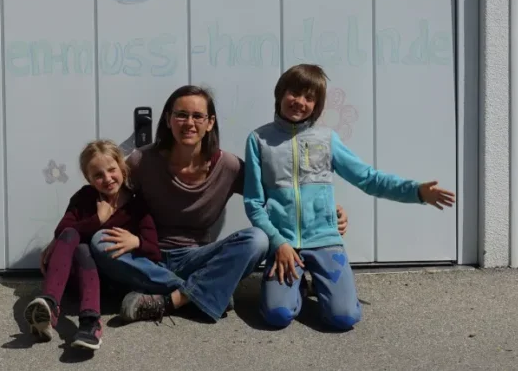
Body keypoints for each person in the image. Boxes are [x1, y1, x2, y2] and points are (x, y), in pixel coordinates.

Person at [90, 85, 350, 324]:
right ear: (168, 119)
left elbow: (278, 195)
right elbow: (108, 195)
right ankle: (208, 291)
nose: (189, 123)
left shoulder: (228, 166)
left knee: (257, 240)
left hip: (198, 257)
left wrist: (324, 212)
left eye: (198, 116)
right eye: (181, 115)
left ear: (210, 123)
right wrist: (80, 232)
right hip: (148, 253)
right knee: (100, 241)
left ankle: (173, 300)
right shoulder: (142, 160)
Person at [243, 64, 456, 330]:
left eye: (309, 97)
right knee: (277, 315)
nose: (300, 102)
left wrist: (416, 191)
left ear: (317, 105)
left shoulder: (326, 139)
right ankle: (296, 288)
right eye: (294, 93)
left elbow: (368, 178)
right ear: (280, 93)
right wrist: (278, 243)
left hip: (325, 240)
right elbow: (253, 203)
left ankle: (318, 283)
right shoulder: (259, 139)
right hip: (284, 244)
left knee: (344, 318)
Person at [24, 139, 161, 351]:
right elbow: (63, 233)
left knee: (83, 245)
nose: (107, 178)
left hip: (114, 281)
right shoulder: (85, 197)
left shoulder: (137, 205)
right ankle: (51, 304)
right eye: (98, 175)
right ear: (89, 179)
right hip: (78, 278)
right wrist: (97, 220)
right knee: (78, 244)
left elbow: (155, 251)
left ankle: (89, 321)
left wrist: (136, 242)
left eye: (112, 170)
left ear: (122, 167)